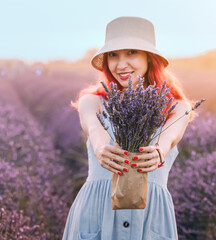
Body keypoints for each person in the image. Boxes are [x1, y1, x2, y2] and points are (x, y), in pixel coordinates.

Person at [63, 16, 192, 240]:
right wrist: (101, 147)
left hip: (150, 217)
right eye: (113, 55)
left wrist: (159, 150)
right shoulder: (93, 101)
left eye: (131, 52)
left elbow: (170, 136)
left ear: (150, 58)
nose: (121, 65)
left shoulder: (178, 107)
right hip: (97, 212)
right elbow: (94, 128)